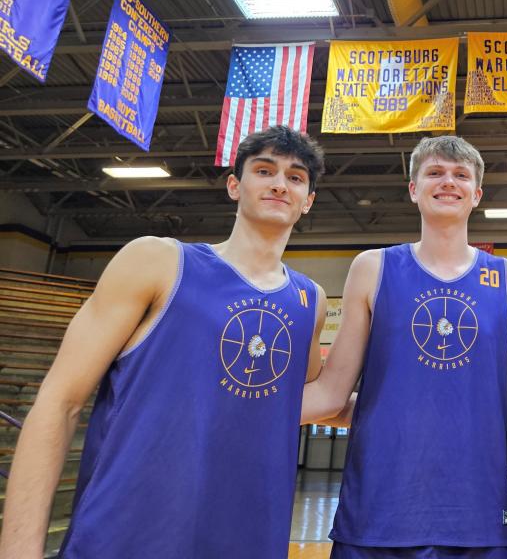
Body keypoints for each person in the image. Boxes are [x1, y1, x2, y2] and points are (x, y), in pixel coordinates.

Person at [0, 126, 328, 559]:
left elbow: (303, 403)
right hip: (126, 535)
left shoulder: (311, 300)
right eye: (264, 170)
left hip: (247, 537)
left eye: (295, 176)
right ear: (235, 185)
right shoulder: (157, 260)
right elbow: (60, 401)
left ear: (307, 201)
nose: (279, 183)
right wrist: (19, 551)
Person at [302, 135, 507, 558]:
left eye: (461, 175)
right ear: (413, 189)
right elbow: (333, 393)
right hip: (378, 508)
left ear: (476, 194)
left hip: (476, 511)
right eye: (435, 173)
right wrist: (238, 407)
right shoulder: (373, 267)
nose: (449, 182)